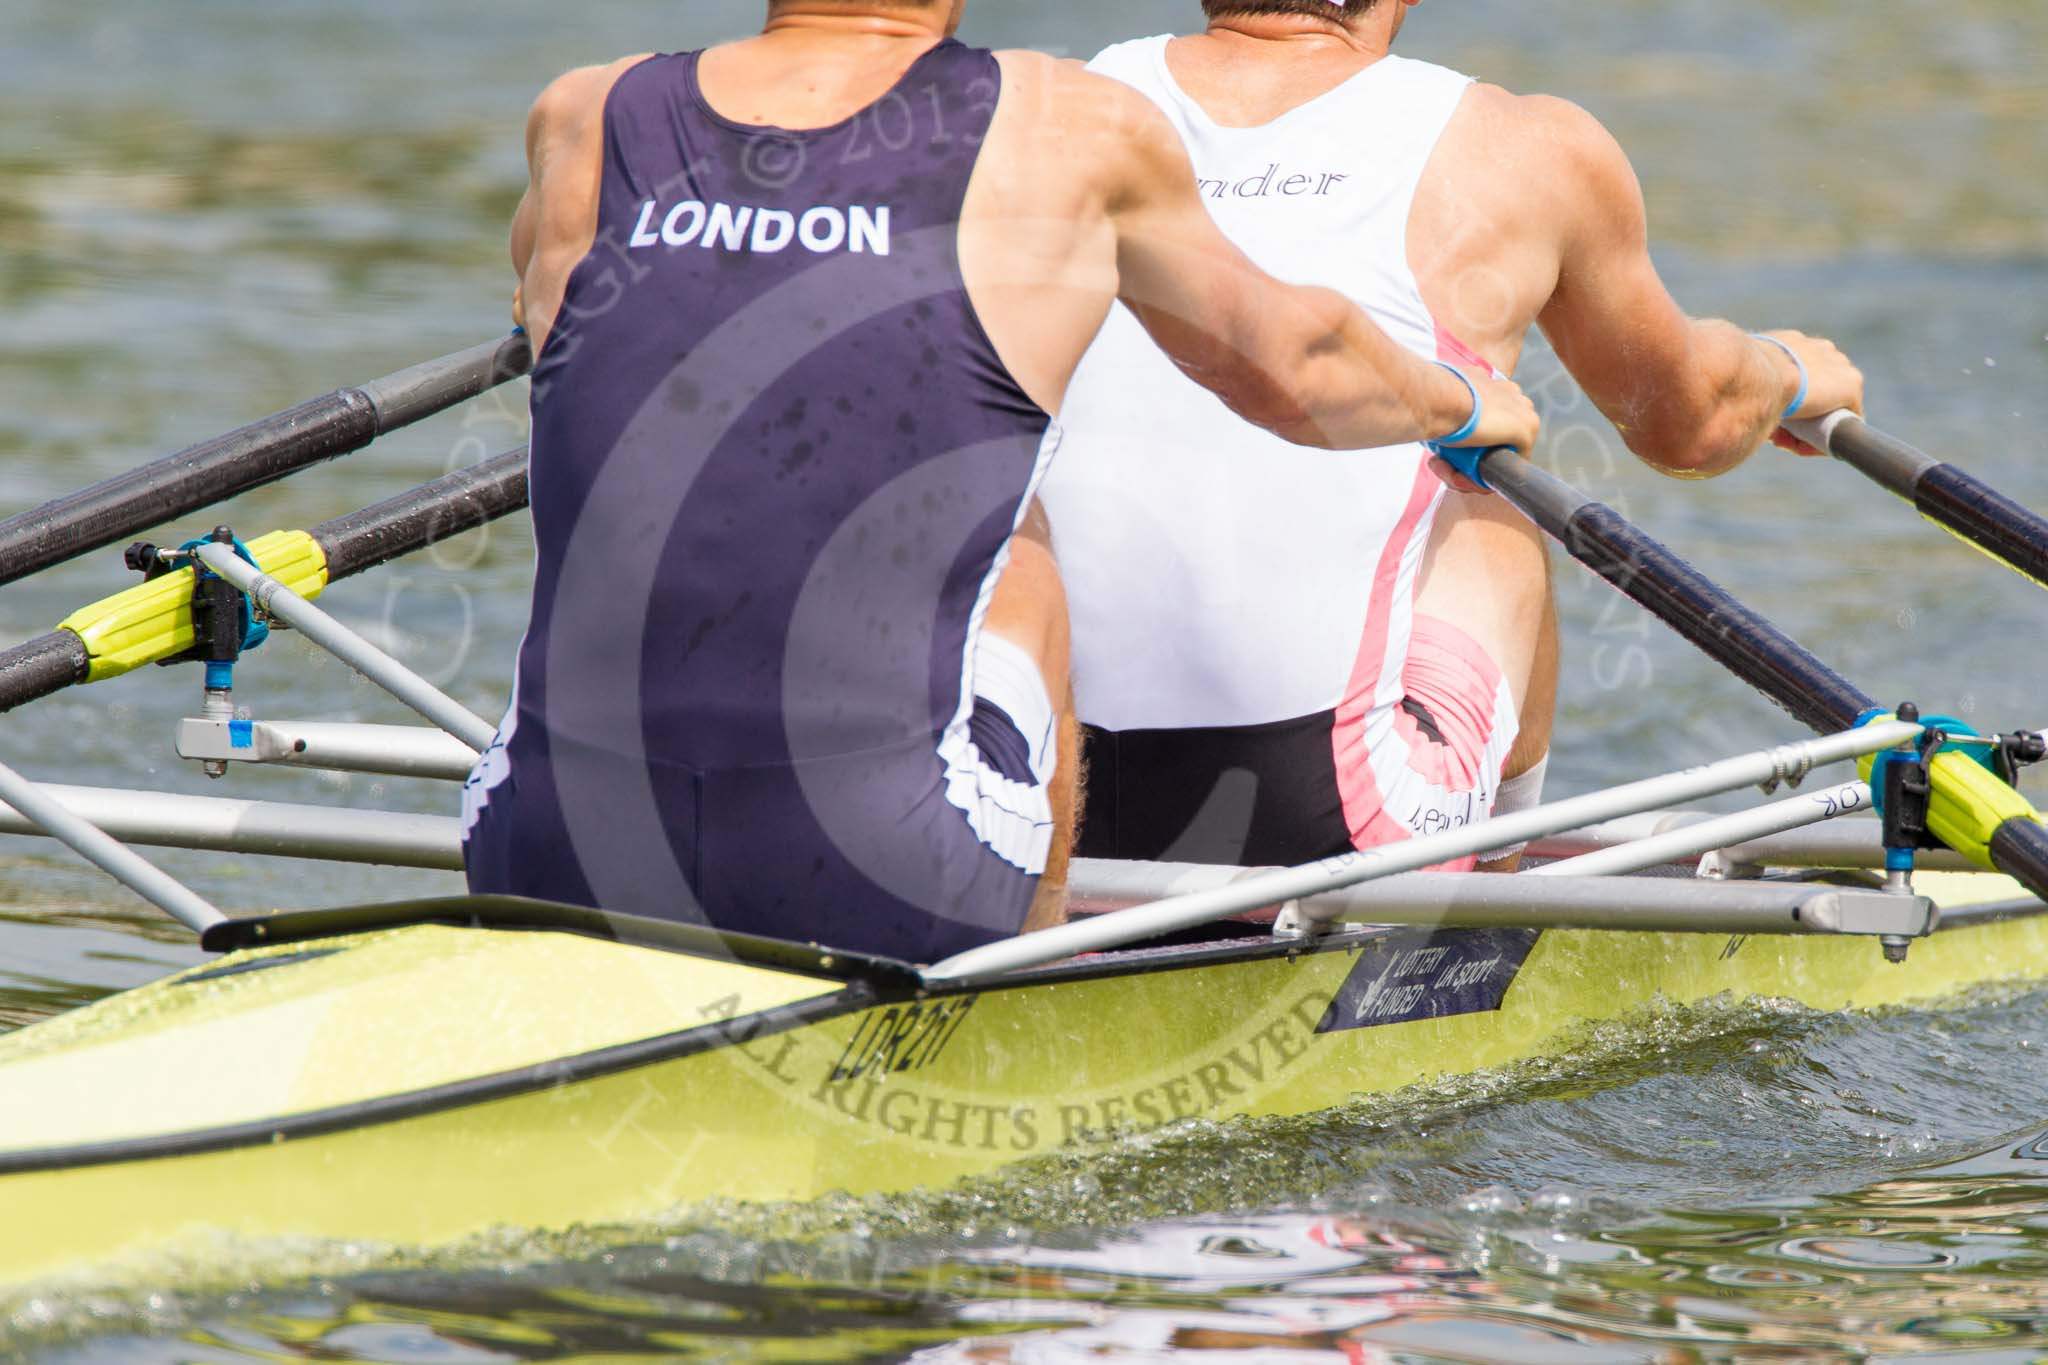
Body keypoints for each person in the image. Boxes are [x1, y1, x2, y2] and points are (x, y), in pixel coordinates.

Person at [458, 0, 1538, 963]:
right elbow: (1297, 370)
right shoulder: (1065, 124)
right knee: (1019, 548)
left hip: (540, 850)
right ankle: (1036, 964)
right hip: (879, 882)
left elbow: (547, 318)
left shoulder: (583, 115)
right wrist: (1464, 402)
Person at [1043, 0, 1864, 874]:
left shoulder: (1037, 115)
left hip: (1028, 795)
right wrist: (1786, 372)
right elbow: (1689, 423)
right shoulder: (1524, 147)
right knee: (1489, 499)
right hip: (1316, 824)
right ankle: (1480, 906)